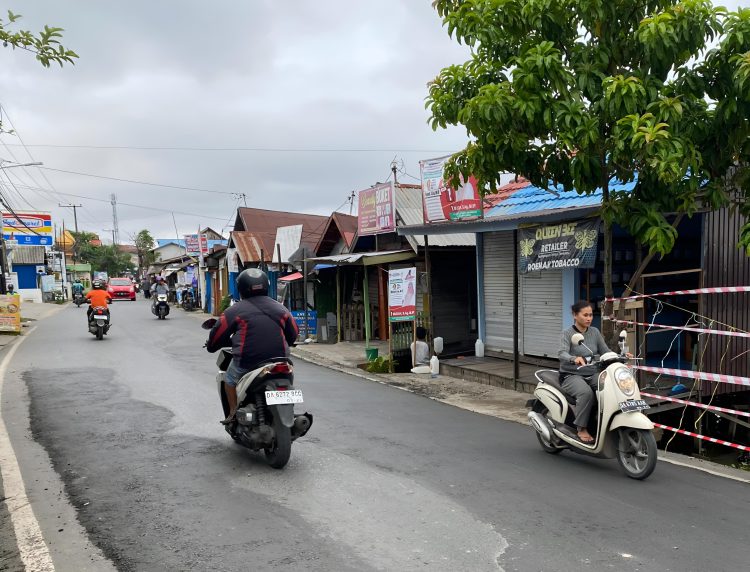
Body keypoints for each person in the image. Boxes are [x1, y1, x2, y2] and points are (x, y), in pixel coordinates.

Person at [205, 268, 299, 425]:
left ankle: (233, 413)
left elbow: (217, 334)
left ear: (241, 288)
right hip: (282, 361)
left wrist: (211, 345)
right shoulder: (281, 308)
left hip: (247, 361)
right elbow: (294, 333)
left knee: (229, 380)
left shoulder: (234, 310)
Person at [558, 300, 610, 444]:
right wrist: (573, 358)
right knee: (585, 393)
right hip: (571, 375)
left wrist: (620, 356)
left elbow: (605, 351)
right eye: (585, 315)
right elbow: (561, 353)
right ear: (575, 315)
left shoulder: (594, 332)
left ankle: (602, 423)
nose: (589, 318)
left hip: (592, 373)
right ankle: (581, 428)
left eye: (591, 315)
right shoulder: (567, 333)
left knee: (610, 387)